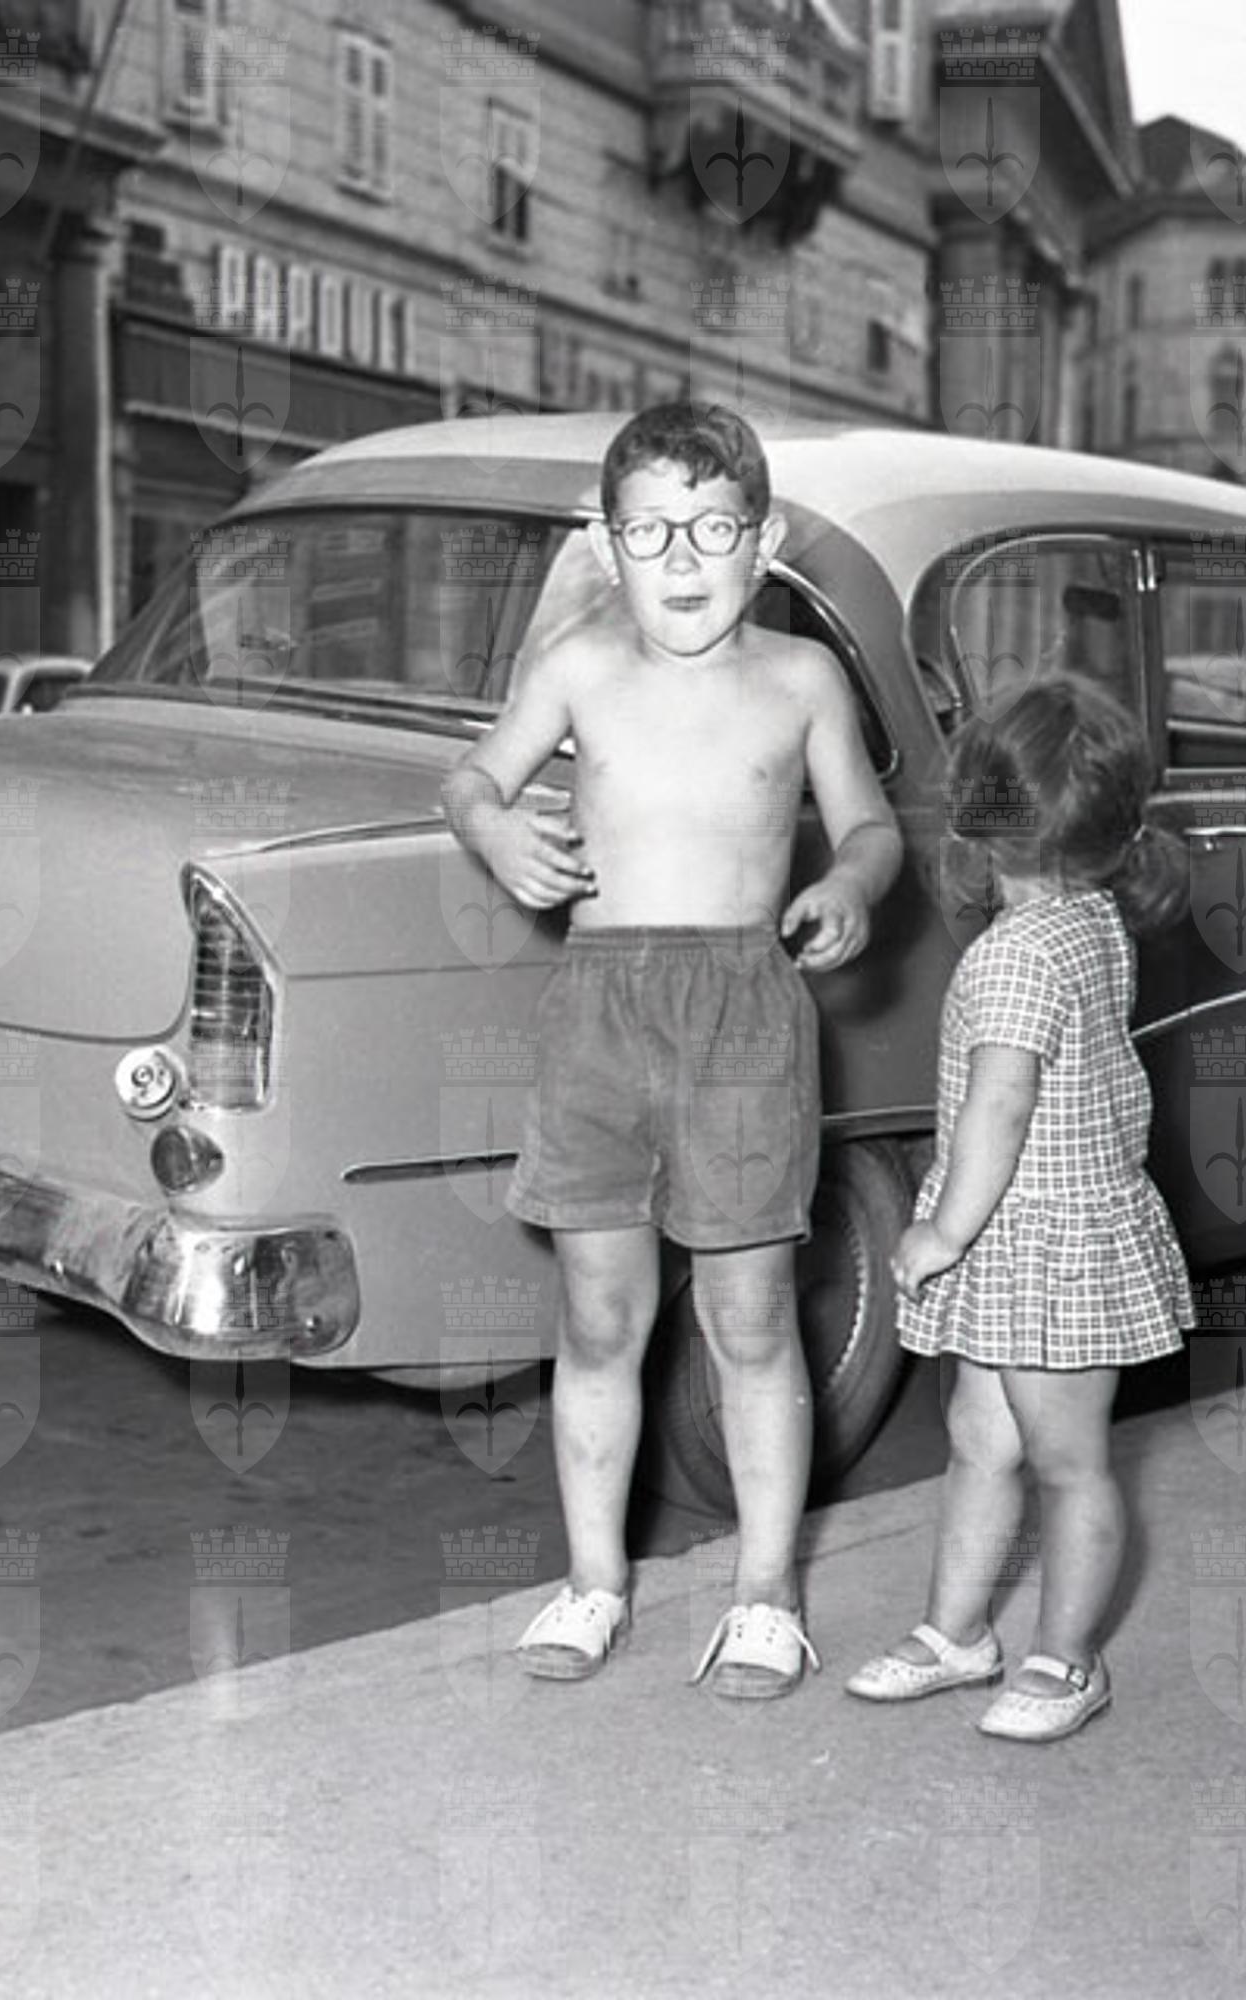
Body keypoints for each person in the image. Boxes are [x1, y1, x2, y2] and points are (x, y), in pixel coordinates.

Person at [441, 403, 902, 1696]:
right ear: (607, 545)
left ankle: (766, 1593)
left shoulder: (800, 682)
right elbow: (469, 781)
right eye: (649, 531)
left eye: (712, 528)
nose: (682, 557)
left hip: (744, 1010)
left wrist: (851, 884)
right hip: (598, 1011)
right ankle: (594, 1580)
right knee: (598, 1317)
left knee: (750, 1318)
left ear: (762, 540)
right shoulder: (577, 666)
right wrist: (494, 831)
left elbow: (870, 828)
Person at [845, 674, 1192, 1741]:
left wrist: (939, 1228)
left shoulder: (1011, 957)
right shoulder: (1090, 917)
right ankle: (957, 1632)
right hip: (1036, 1238)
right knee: (980, 1436)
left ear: (973, 815)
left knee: (1065, 1461)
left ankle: (1066, 1659)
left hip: (1044, 1242)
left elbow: (996, 1107)